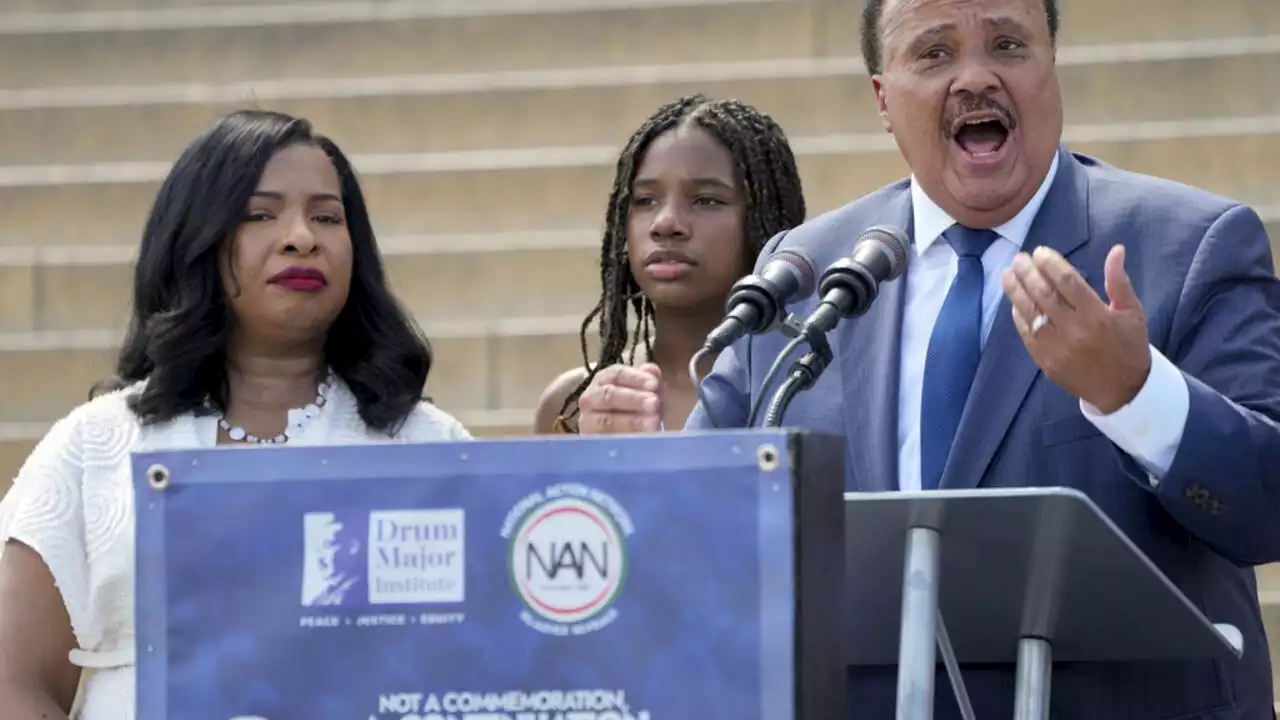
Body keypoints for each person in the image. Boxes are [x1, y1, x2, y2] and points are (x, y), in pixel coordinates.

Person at [572, 0, 1280, 716]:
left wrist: (1137, 394)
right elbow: (699, 532)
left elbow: (1267, 503)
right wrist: (632, 473)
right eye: (934, 54)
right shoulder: (806, 272)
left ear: (1050, 65)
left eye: (1007, 45)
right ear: (884, 97)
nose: (975, 77)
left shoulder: (1190, 246)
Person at [0, 109, 470, 719]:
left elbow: (477, 669)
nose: (302, 236)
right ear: (197, 237)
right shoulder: (96, 444)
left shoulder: (429, 448)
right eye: (260, 214)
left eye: (327, 216)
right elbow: (18, 680)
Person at [533, 94, 806, 434]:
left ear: (767, 221)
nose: (665, 223)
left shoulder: (809, 391)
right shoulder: (579, 406)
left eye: (707, 200)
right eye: (645, 200)